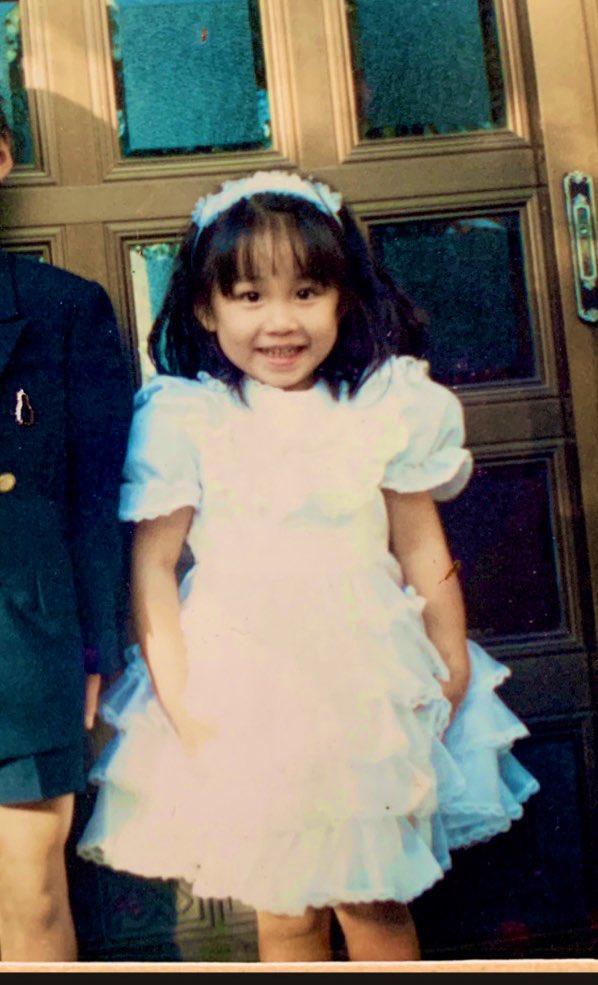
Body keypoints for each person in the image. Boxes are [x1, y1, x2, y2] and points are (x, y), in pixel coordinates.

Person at [77, 170, 539, 963]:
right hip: (245, 692)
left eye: (306, 292)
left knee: (375, 899)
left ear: (343, 298)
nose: (280, 321)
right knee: (285, 908)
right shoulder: (190, 418)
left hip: (366, 689)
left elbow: (421, 547)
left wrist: (451, 658)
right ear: (206, 308)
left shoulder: (380, 405)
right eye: (249, 296)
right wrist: (182, 701)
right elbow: (153, 569)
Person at [0, 106, 131, 961]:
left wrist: (91, 647)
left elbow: (95, 501)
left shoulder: (62, 311)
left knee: (30, 891)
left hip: (19, 639)